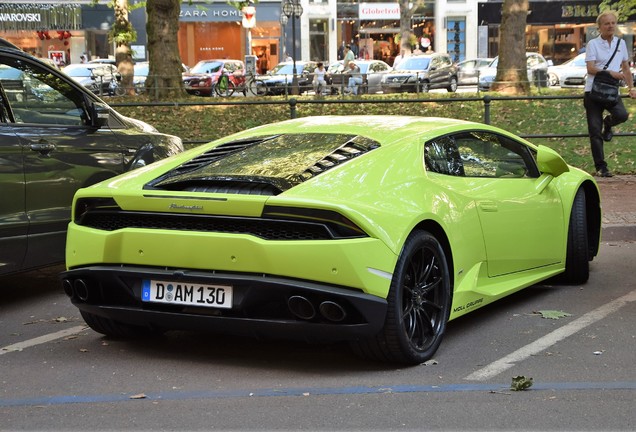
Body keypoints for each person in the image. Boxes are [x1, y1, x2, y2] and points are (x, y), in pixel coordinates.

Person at [584, 9, 636, 177]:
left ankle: (609, 123)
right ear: (599, 27)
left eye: (613, 23)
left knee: (622, 115)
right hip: (593, 92)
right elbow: (590, 69)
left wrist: (631, 87)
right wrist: (610, 73)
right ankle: (601, 167)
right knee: (594, 130)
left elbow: (626, 68)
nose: (610, 26)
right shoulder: (593, 44)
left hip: (612, 92)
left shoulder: (620, 44)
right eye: (606, 23)